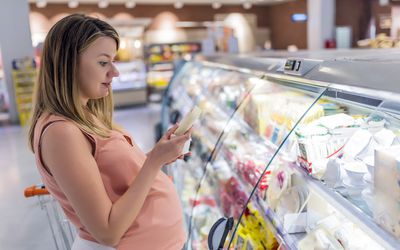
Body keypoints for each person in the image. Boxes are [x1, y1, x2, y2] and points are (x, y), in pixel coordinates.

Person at [28, 14, 191, 250]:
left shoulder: (84, 114)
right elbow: (107, 231)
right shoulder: (61, 133)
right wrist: (154, 162)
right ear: (68, 63)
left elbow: (108, 174)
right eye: (103, 62)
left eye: (113, 61)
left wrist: (160, 153)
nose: (115, 72)